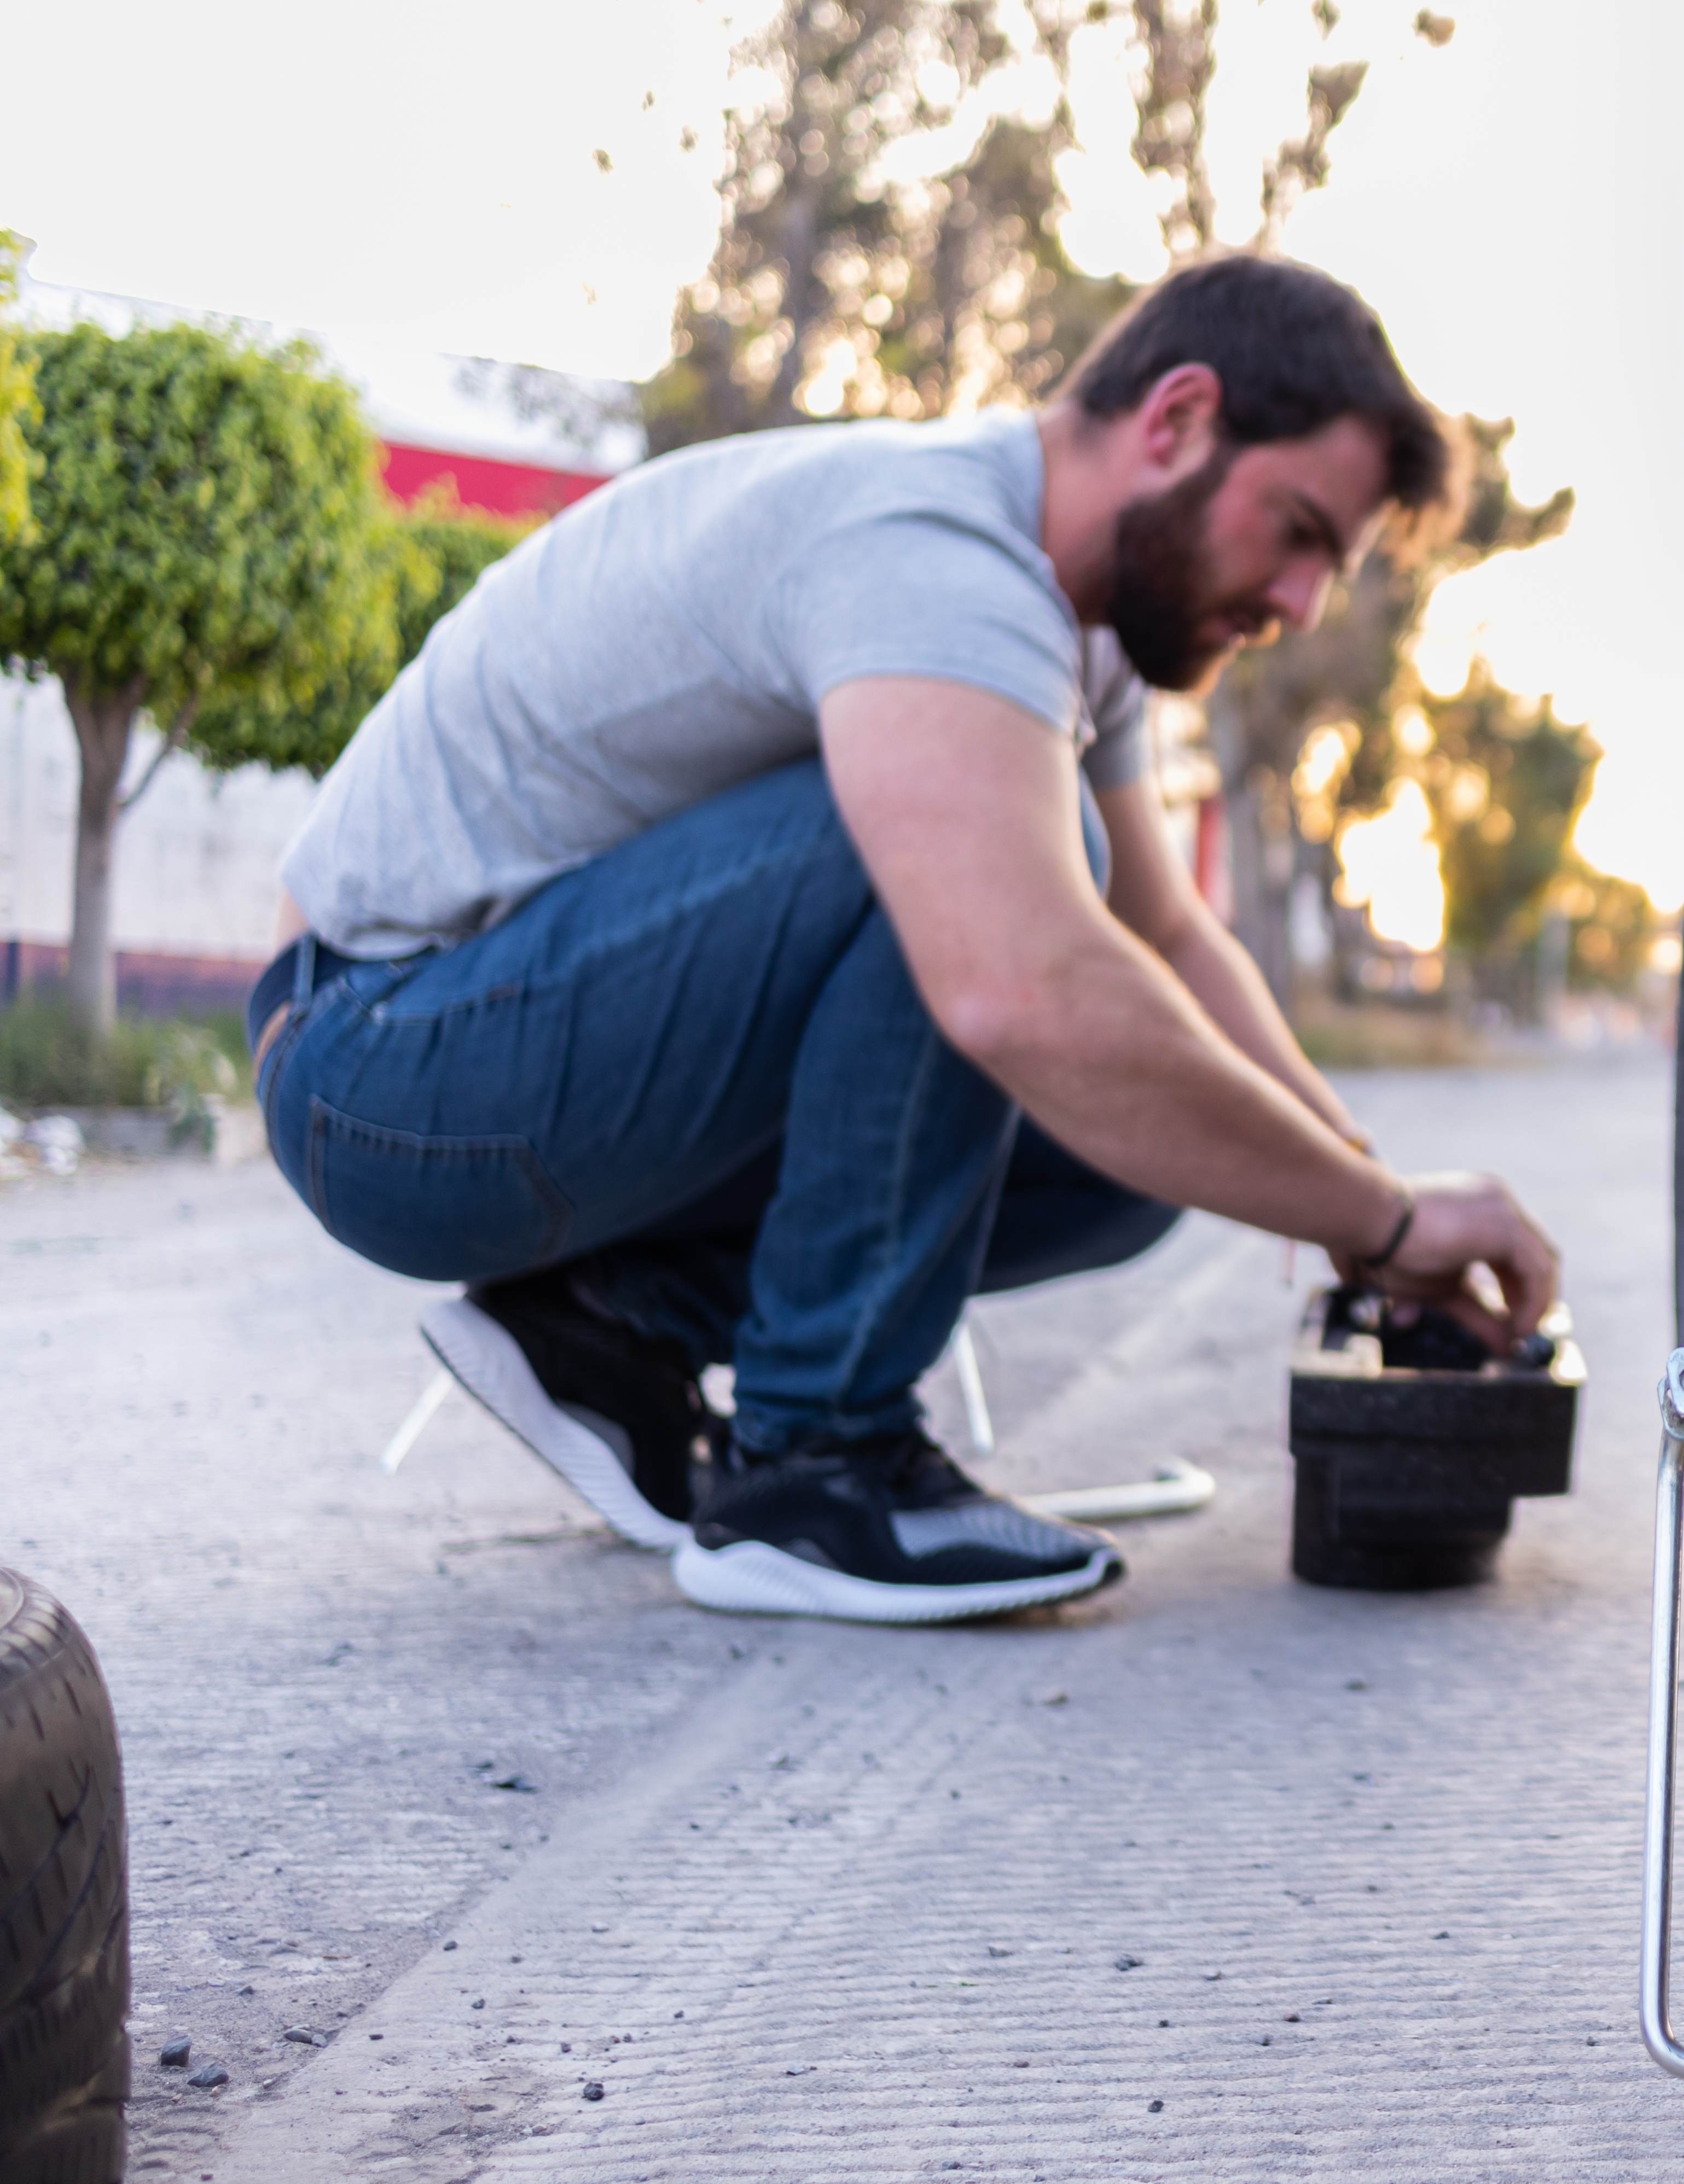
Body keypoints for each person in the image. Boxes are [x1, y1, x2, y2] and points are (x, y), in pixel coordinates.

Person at [246, 256, 1560, 1626]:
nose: (1297, 602)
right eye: (1296, 530)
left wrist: (1356, 1194)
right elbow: (1020, 982)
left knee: (1149, 1147)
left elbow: (1169, 938)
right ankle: (816, 1465)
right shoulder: (937, 554)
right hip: (376, 1060)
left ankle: (616, 1325)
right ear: (1176, 418)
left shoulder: (1079, 624)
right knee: (1006, 899)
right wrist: (1389, 1221)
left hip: (489, 1059)